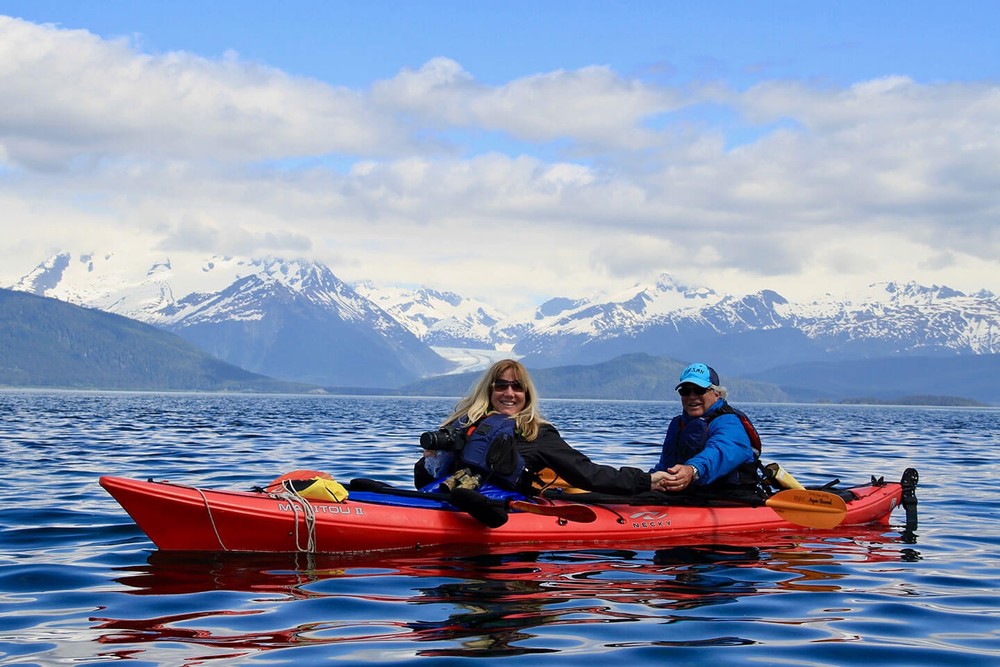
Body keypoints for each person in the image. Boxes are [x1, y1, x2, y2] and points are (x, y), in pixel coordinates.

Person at [415, 359, 669, 496]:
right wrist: (430, 461)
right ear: (489, 390)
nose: (509, 393)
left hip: (502, 509)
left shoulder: (536, 433)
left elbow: (586, 473)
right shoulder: (464, 425)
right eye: (501, 385)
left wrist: (644, 480)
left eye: (517, 387)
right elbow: (422, 481)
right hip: (449, 499)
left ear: (527, 393)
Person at [651, 363, 761, 495]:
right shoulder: (678, 424)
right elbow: (665, 465)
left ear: (717, 394)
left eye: (699, 390)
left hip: (729, 497)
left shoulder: (730, 423)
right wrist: (648, 481)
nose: (692, 396)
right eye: (685, 391)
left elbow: (719, 451)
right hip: (686, 497)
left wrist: (693, 470)